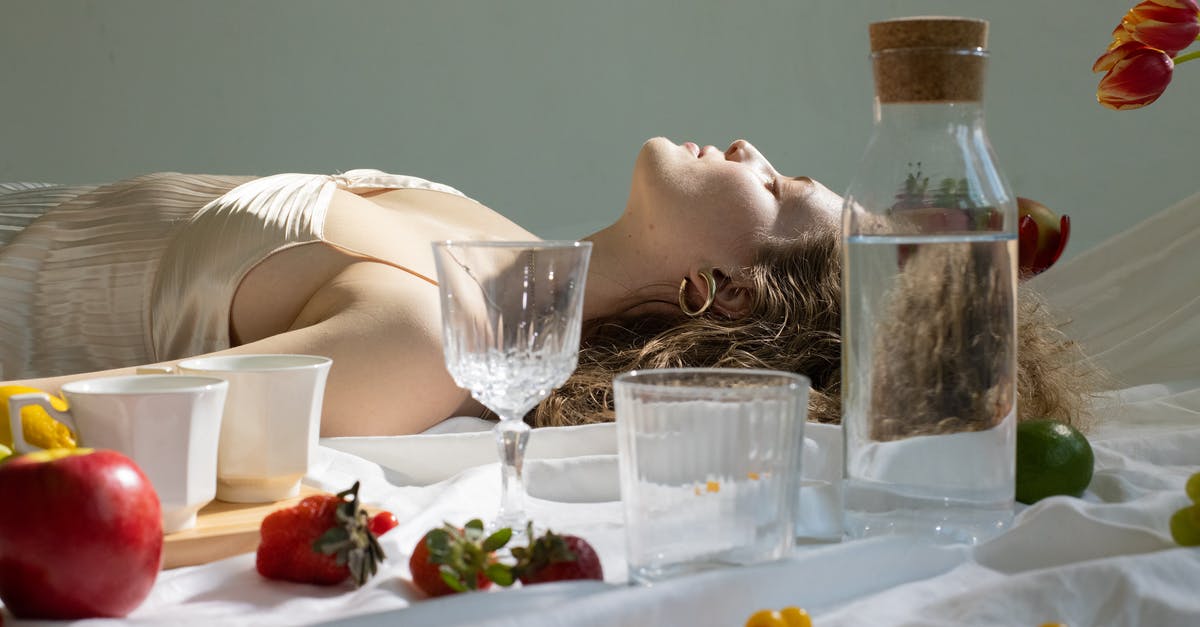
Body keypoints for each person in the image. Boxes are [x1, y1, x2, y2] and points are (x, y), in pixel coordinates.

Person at [0, 138, 1095, 437]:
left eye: (784, 187)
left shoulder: (429, 343)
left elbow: (60, 423)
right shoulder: (509, 253)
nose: (757, 148)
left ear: (735, 296)